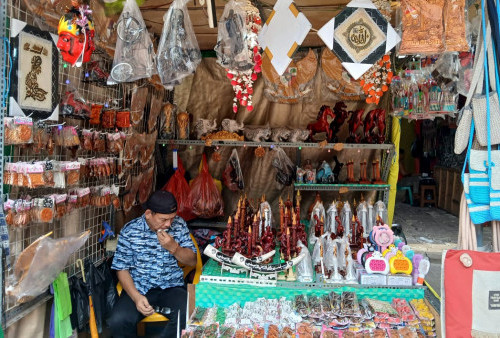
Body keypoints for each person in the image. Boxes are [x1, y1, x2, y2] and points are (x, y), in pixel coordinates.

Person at [107, 190, 197, 337]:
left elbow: (192, 261)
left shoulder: (179, 225)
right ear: (149, 214)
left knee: (189, 314)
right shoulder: (130, 230)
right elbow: (121, 269)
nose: (169, 224)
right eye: (163, 219)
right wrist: (136, 297)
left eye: (172, 218)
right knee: (118, 321)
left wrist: (174, 248)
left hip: (171, 286)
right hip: (139, 287)